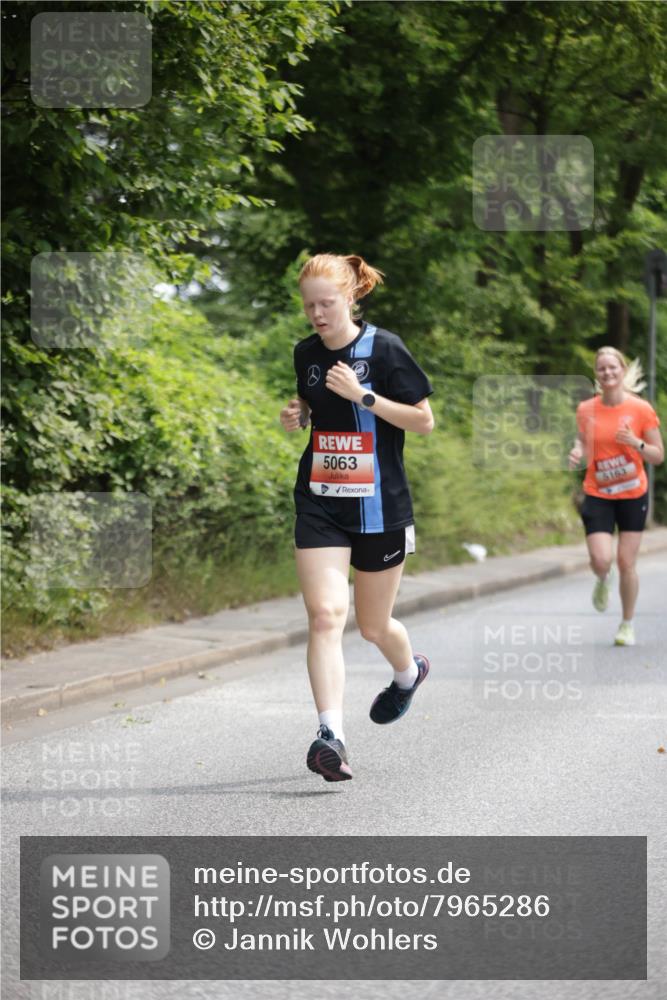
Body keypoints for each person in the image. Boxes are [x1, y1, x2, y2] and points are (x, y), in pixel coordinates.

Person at [280, 253, 434, 782]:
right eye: (309, 306)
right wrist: (299, 414)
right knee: (326, 615)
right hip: (321, 500)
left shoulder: (384, 348)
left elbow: (424, 421)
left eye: (327, 303)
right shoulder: (306, 353)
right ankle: (331, 736)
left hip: (381, 507)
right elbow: (311, 404)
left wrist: (364, 395)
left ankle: (408, 672)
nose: (318, 314)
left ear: (351, 297)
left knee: (373, 625)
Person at [569, 346, 663, 646]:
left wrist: (636, 443)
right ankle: (601, 578)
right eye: (602, 369)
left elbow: (658, 455)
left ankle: (627, 623)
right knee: (601, 559)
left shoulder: (641, 409)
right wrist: (577, 451)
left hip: (632, 493)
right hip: (598, 492)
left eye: (613, 367)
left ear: (622, 371)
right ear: (596, 375)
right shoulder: (586, 409)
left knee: (626, 563)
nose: (607, 373)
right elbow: (583, 442)